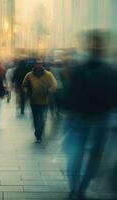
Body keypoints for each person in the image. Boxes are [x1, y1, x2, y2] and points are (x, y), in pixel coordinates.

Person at [63, 30, 117, 199]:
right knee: (94, 156)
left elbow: (71, 94)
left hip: (81, 118)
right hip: (101, 118)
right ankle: (81, 189)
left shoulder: (79, 68)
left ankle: (75, 187)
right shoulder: (110, 70)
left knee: (76, 153)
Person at [22, 58, 57, 143]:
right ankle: (38, 131)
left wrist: (50, 90)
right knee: (35, 119)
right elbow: (24, 84)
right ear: (34, 65)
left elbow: (54, 85)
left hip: (44, 100)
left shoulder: (48, 75)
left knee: (42, 118)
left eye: (40, 63)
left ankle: (39, 135)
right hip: (33, 101)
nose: (39, 65)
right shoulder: (29, 75)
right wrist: (26, 90)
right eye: (37, 63)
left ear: (42, 64)